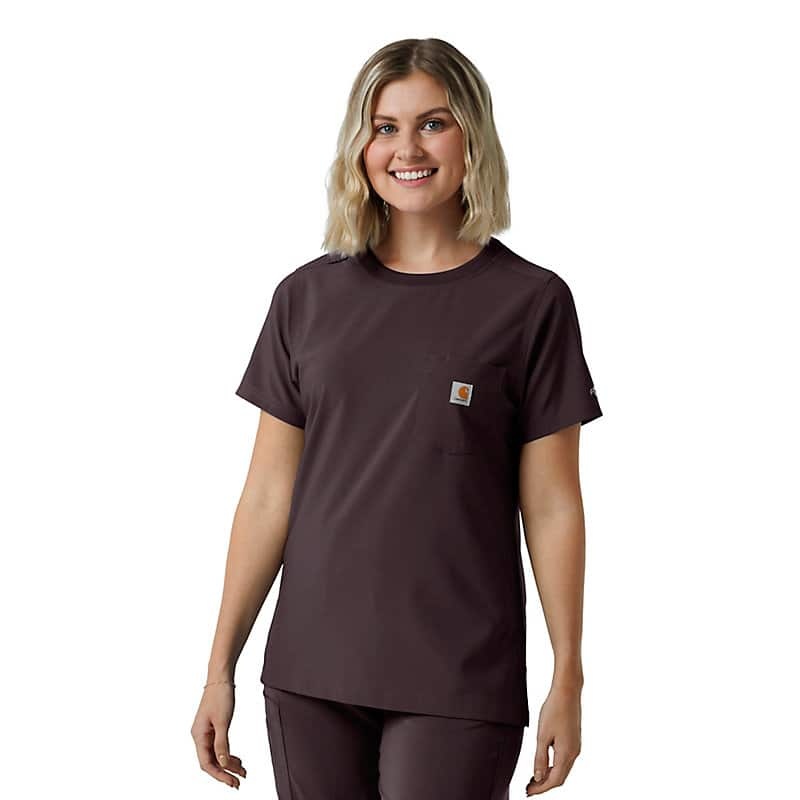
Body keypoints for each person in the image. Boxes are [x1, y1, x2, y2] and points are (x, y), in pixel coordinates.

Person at [190, 37, 603, 800]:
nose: (407, 149)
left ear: (472, 137)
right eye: (385, 127)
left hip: (460, 676)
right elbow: (268, 497)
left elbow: (552, 506)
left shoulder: (531, 303)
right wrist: (220, 669)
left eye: (433, 123)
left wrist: (567, 677)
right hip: (311, 671)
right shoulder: (306, 298)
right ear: (361, 146)